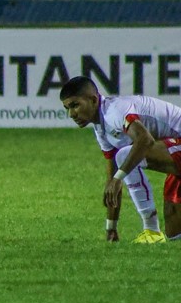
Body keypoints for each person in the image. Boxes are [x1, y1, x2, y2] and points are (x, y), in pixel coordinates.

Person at [60, 76, 181, 243]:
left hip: (177, 146)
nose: (71, 114)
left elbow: (145, 140)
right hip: (175, 152)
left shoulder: (115, 111)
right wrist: (111, 228)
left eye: (75, 105)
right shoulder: (101, 129)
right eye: (67, 108)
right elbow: (112, 180)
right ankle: (154, 233)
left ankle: (151, 230)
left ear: (93, 100)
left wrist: (118, 178)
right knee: (175, 234)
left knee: (124, 155)